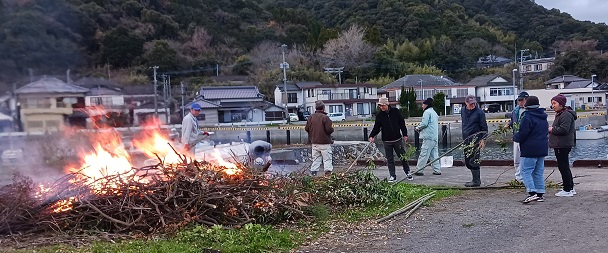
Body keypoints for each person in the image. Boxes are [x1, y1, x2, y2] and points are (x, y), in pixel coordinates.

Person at [514, 96, 548, 203]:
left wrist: (515, 137)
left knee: (525, 171)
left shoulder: (527, 117)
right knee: (538, 172)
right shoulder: (543, 116)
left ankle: (532, 193)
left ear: (526, 105)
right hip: (542, 148)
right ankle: (540, 193)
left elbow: (523, 133)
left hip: (529, 148)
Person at [369, 97, 412, 182]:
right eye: (380, 106)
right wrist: (372, 136)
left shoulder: (395, 111)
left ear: (387, 104)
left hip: (397, 139)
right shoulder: (379, 115)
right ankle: (392, 175)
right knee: (390, 159)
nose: (381, 107)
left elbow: (401, 123)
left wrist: (405, 134)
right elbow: (376, 127)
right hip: (386, 141)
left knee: (402, 157)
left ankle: (408, 172)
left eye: (382, 106)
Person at [549, 94, 578, 197]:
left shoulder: (565, 114)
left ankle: (567, 189)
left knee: (563, 166)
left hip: (562, 144)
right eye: (552, 103)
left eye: (554, 103)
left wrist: (551, 129)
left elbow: (564, 129)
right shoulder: (561, 113)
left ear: (561, 104)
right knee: (564, 166)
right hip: (561, 144)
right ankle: (570, 187)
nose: (553, 106)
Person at [461, 95, 488, 187]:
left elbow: (484, 127)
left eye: (474, 103)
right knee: (468, 161)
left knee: (474, 160)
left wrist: (483, 139)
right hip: (466, 139)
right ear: (466, 103)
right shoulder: (463, 111)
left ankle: (476, 181)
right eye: (470, 104)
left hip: (476, 139)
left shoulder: (479, 112)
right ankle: (474, 179)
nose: (472, 105)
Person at [504, 91, 529, 183]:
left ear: (526, 100)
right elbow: (513, 121)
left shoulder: (529, 111)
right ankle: (518, 177)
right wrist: (509, 124)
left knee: (525, 158)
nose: (519, 102)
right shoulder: (515, 110)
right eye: (518, 100)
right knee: (517, 159)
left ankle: (525, 177)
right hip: (516, 137)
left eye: (521, 100)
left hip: (526, 138)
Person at [305, 100, 334, 176]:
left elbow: (306, 128)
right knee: (327, 159)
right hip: (324, 142)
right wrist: (332, 129)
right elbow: (329, 130)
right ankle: (328, 174)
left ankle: (313, 174)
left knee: (316, 159)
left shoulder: (310, 117)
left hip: (314, 142)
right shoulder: (325, 117)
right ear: (323, 108)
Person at [414, 98, 441, 176]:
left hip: (428, 137)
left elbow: (424, 123)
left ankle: (419, 170)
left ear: (426, 105)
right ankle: (437, 170)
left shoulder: (427, 112)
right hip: (434, 137)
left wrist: (417, 128)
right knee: (434, 154)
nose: (422, 106)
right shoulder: (434, 113)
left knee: (424, 154)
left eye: (423, 104)